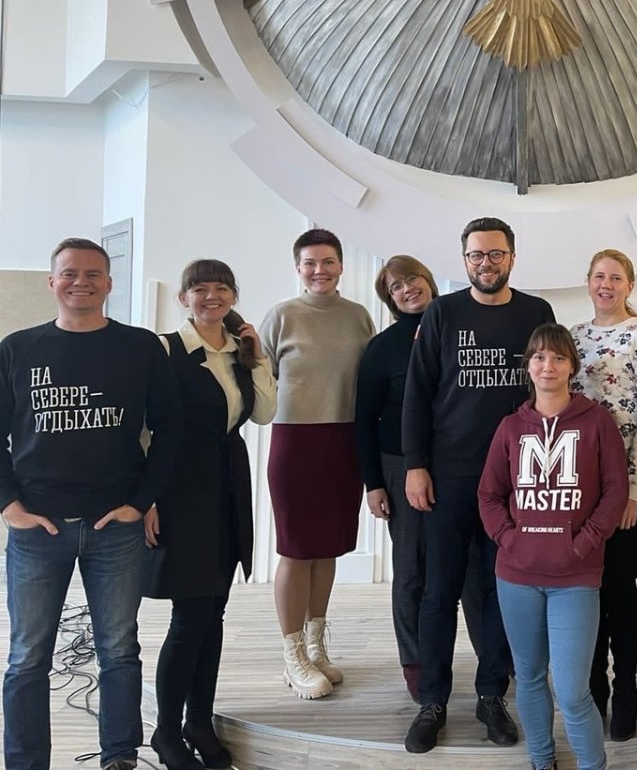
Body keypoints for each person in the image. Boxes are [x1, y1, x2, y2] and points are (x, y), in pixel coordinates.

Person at [0, 238, 184, 770]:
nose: (80, 282)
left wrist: (141, 501)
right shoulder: (17, 349)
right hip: (37, 530)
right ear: (51, 282)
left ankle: (119, 757)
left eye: (92, 274)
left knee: (119, 650)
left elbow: (172, 429)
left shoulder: (140, 347)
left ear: (109, 283)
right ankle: (25, 763)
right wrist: (8, 505)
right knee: (27, 658)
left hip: (115, 527)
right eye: (69, 273)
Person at [402, 217, 556, 754]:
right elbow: (418, 393)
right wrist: (416, 465)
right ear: (464, 260)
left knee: (501, 591)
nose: (485, 263)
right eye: (475, 255)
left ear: (512, 257)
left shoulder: (536, 313)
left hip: (516, 480)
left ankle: (492, 695)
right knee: (438, 591)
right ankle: (432, 701)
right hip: (449, 474)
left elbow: (549, 389)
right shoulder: (443, 313)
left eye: (495, 254)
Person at [144, 259, 277, 770]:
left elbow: (264, 413)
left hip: (227, 485)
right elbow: (142, 428)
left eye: (221, 288)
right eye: (199, 289)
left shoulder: (239, 351)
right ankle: (166, 731)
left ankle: (199, 720)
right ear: (184, 298)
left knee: (213, 612)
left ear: (233, 296)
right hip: (180, 489)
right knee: (191, 615)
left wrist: (257, 357)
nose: (211, 297)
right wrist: (147, 499)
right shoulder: (164, 349)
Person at [479, 324, 630, 770]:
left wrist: (584, 542)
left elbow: (615, 490)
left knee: (572, 690)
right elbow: (488, 495)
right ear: (528, 366)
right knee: (528, 677)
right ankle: (542, 760)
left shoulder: (597, 421)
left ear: (572, 367)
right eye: (540, 357)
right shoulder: (510, 427)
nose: (548, 366)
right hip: (517, 576)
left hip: (575, 578)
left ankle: (592, 765)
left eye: (558, 358)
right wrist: (511, 540)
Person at [353, 255, 485, 703]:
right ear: (389, 299)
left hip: (459, 462)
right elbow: (363, 419)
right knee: (412, 568)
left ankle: (491, 659)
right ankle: (417, 662)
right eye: (395, 287)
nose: (407, 289)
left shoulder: (460, 329)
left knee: (473, 567)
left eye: (412, 279)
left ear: (429, 281)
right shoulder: (382, 347)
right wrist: (373, 483)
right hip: (398, 464)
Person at [260, 229, 375, 699]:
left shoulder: (358, 316)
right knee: (295, 547)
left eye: (328, 262)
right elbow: (259, 380)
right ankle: (292, 654)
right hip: (295, 441)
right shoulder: (282, 316)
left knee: (326, 547)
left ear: (341, 266)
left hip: (344, 440)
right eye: (310, 263)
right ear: (298, 268)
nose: (319, 270)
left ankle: (315, 644)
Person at [569, 250, 637, 740]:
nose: (606, 284)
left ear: (630, 285)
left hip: (626, 487)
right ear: (588, 282)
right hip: (578, 488)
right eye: (599, 276)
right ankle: (593, 689)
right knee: (585, 591)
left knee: (619, 588)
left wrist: (634, 491)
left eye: (616, 277)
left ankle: (624, 687)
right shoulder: (573, 337)